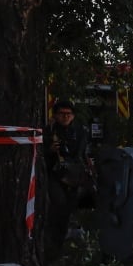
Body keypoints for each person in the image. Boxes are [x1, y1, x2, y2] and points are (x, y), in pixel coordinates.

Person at [43, 99, 93, 250]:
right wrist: (49, 150)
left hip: (75, 175)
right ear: (55, 115)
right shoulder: (49, 131)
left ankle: (71, 244)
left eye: (68, 114)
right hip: (55, 174)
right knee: (58, 206)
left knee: (74, 208)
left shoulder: (81, 131)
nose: (65, 117)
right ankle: (55, 244)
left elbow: (84, 153)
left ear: (73, 116)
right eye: (61, 114)